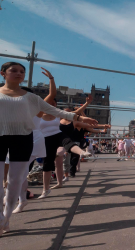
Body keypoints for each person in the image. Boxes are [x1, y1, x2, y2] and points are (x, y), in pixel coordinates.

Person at [0, 62, 98, 233]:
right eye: (13, 71)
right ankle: (1, 219)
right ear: (3, 73)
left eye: (22, 71)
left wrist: (78, 118)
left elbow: (57, 112)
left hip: (22, 139)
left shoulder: (30, 97)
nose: (18, 74)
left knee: (15, 181)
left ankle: (6, 218)